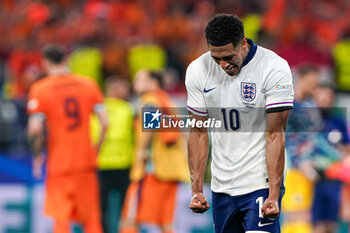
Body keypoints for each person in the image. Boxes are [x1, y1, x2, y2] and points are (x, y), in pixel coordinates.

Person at [185, 14, 294, 233]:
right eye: (216, 58)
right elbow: (198, 132)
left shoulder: (273, 68)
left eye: (228, 56)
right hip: (222, 186)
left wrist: (273, 194)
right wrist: (196, 190)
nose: (223, 64)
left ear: (243, 43)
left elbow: (275, 134)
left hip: (259, 184)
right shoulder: (198, 70)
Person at [27, 44, 108, 233]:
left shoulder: (40, 89)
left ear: (45, 63)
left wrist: (38, 156)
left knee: (61, 219)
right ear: (66, 60)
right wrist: (96, 148)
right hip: (86, 162)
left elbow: (35, 129)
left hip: (59, 164)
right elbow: (105, 122)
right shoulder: (88, 84)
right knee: (91, 219)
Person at [120, 69, 189, 233]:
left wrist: (142, 151)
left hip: (152, 170)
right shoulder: (167, 101)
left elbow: (149, 125)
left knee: (130, 219)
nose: (134, 82)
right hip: (171, 169)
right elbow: (185, 134)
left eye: (139, 79)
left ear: (152, 82)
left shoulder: (150, 99)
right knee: (165, 223)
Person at [91, 76, 134, 233]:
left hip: (102, 164)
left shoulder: (96, 110)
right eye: (123, 88)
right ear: (114, 89)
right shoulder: (129, 109)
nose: (127, 91)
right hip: (124, 164)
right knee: (126, 207)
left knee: (102, 208)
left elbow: (92, 137)